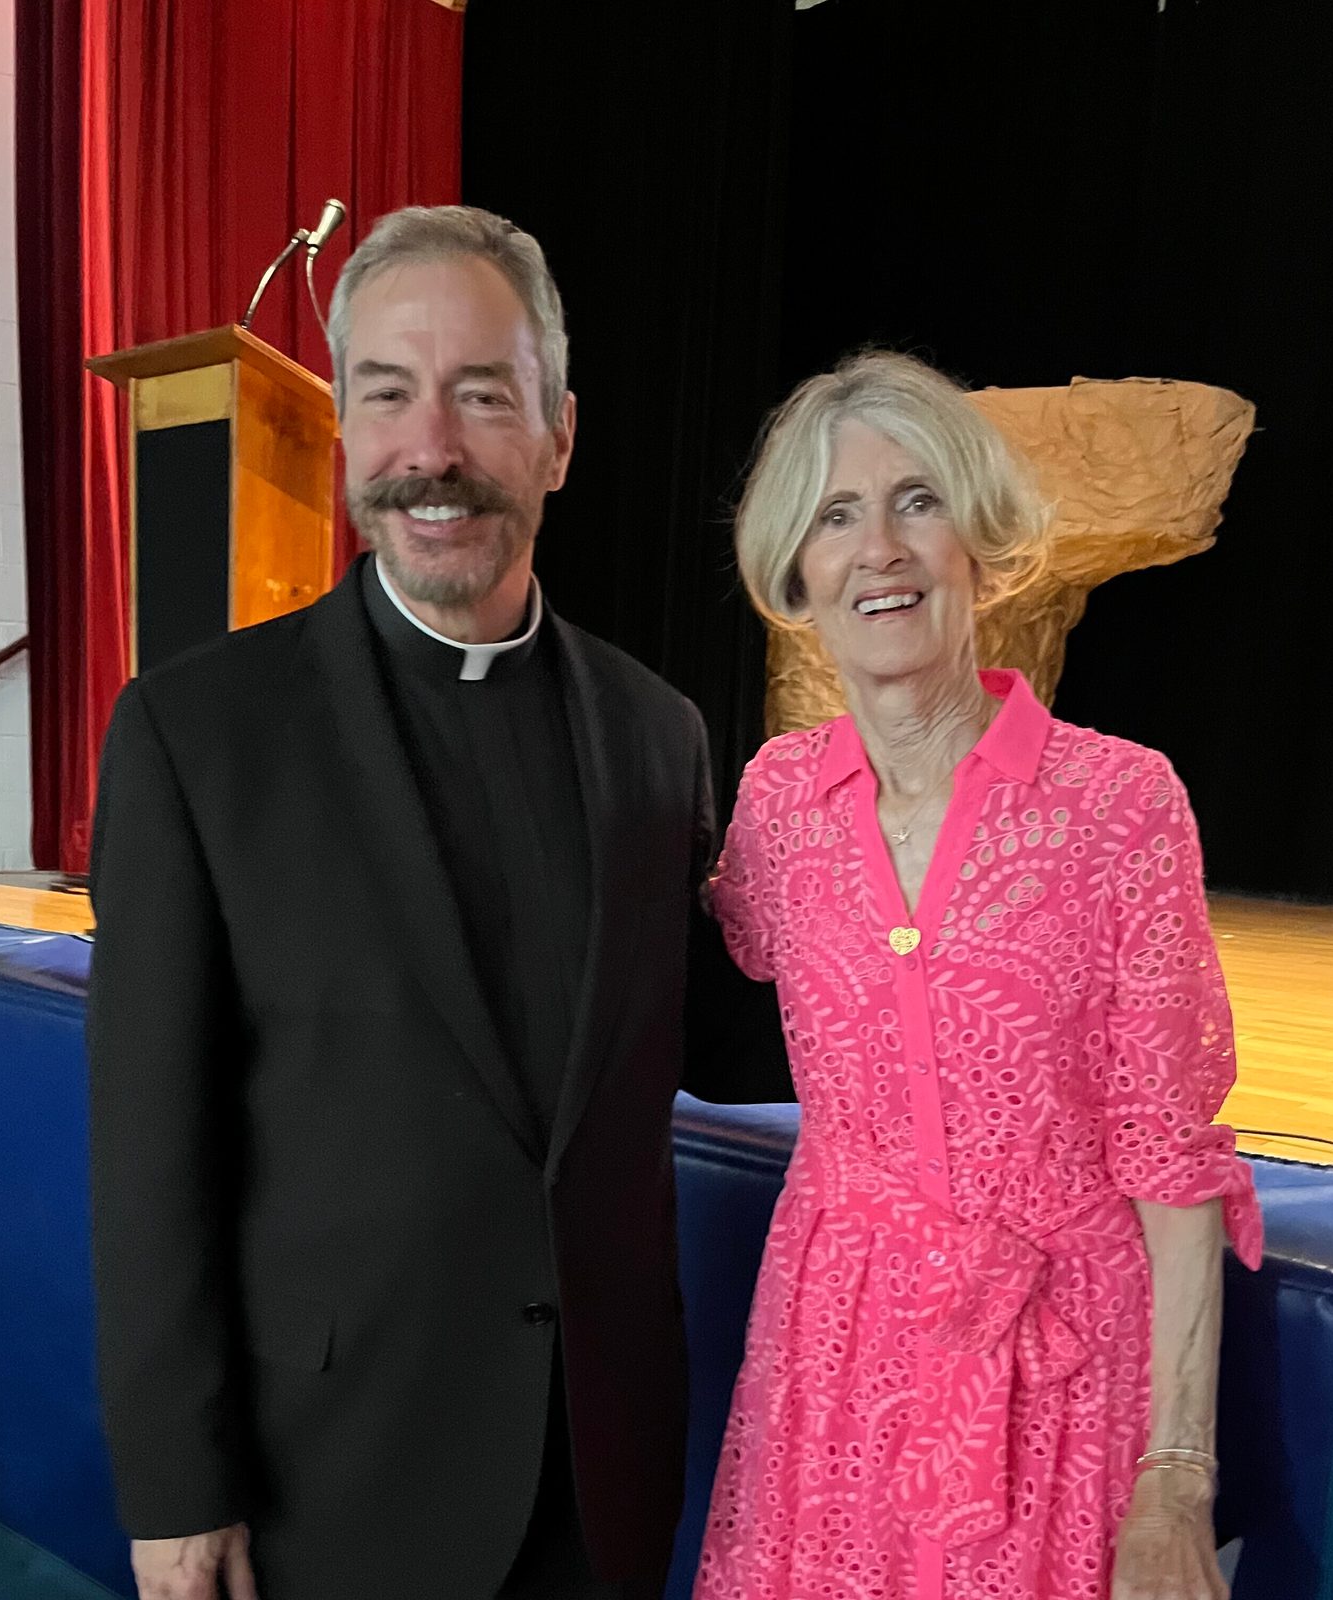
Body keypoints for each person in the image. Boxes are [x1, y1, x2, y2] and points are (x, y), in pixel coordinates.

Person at [87, 205, 784, 1600]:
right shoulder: (196, 735)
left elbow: (722, 1040)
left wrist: (943, 901)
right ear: (344, 423)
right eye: (390, 394)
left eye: (482, 395)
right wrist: (176, 1485)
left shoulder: (663, 738)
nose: (434, 452)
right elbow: (151, 1156)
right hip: (330, 1473)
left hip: (601, 1468)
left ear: (561, 436)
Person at [694, 351, 1263, 1600]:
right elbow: (721, 943)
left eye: (917, 501)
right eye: (837, 515)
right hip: (832, 1359)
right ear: (796, 566)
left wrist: (1176, 1472)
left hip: (1058, 1373)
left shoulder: (1120, 803)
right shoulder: (777, 805)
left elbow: (1173, 1159)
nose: (879, 548)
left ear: (979, 540)